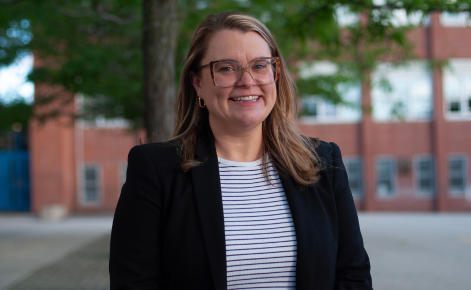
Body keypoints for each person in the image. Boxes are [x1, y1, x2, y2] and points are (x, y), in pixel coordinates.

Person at [109, 11, 372, 290]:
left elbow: (352, 276)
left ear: (276, 74)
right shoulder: (156, 171)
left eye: (260, 66)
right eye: (226, 68)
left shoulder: (323, 163)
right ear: (197, 83)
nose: (247, 81)